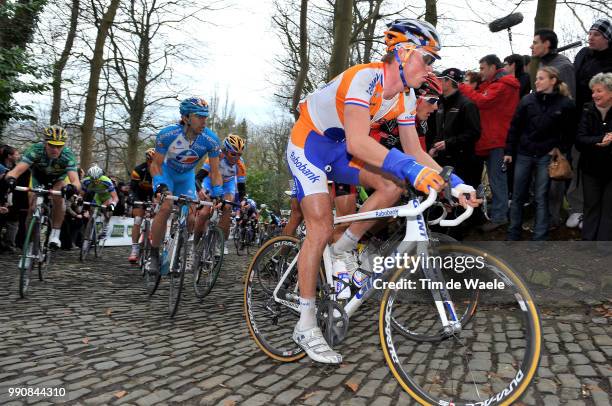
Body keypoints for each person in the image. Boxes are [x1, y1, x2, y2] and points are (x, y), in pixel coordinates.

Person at [287, 18, 478, 364]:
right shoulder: (365, 77)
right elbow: (360, 141)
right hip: (309, 146)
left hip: (339, 149)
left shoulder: (404, 97)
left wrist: (454, 181)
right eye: (428, 59)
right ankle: (305, 322)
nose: (431, 68)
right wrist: (411, 169)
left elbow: (415, 153)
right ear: (403, 53)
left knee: (392, 184)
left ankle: (343, 250)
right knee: (319, 225)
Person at [149, 97, 223, 274]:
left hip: (186, 177)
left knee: (190, 217)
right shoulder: (168, 134)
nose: (204, 121)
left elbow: (215, 172)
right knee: (166, 207)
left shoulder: (210, 140)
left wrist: (218, 193)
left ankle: (179, 251)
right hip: (167, 174)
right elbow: (156, 165)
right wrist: (160, 185)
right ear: (186, 117)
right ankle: (153, 253)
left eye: (206, 117)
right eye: (199, 116)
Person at [504, 67, 576, 240]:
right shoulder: (527, 100)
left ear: (553, 81)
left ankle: (539, 238)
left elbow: (570, 131)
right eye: (536, 78)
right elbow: (515, 127)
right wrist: (509, 151)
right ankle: (513, 234)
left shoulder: (565, 103)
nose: (536, 81)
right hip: (524, 152)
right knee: (518, 194)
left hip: (546, 155)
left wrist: (559, 147)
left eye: (541, 78)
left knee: (541, 196)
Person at [459, 54, 520, 231]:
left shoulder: (502, 85)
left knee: (496, 179)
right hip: (491, 138)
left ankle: (500, 217)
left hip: (497, 139)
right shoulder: (495, 84)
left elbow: (481, 100)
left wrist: (463, 87)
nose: (481, 72)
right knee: (494, 178)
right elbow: (481, 93)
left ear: (493, 67)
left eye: (483, 68)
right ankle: (498, 211)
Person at [567, 18, 612, 229]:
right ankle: (577, 209)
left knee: (598, 168)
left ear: (607, 38)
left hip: (603, 118)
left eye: (596, 34)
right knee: (577, 164)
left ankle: (597, 216)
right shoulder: (583, 54)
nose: (590, 37)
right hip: (578, 118)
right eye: (590, 33)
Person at [3, 126, 80, 248]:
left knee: (58, 197)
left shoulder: (68, 155)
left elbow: (75, 180)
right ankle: (30, 242)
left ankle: (55, 235)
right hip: (38, 177)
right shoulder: (36, 150)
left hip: (58, 179)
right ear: (45, 143)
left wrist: (73, 187)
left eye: (59, 146)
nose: (55, 149)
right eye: (51, 145)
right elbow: (16, 171)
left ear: (63, 145)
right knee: (33, 208)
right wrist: (11, 179)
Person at [428, 68, 481, 188]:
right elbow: (438, 131)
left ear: (448, 82)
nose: (438, 82)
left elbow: (474, 133)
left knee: (461, 196)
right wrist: (434, 147)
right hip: (442, 159)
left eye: (441, 79)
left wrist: (449, 143)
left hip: (462, 162)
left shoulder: (467, 104)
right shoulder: (440, 103)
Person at [575, 72, 612, 240]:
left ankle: (604, 244)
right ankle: (587, 241)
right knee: (590, 205)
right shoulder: (587, 109)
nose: (594, 95)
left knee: (609, 207)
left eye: (599, 91)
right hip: (591, 168)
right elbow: (580, 139)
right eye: (593, 91)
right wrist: (600, 139)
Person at [200, 134, 246, 254]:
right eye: (233, 154)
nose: (236, 158)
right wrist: (201, 189)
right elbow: (201, 174)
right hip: (210, 182)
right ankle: (199, 238)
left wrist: (241, 200)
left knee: (227, 207)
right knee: (205, 211)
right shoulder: (215, 156)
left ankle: (221, 241)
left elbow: (241, 187)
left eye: (239, 154)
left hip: (227, 185)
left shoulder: (240, 164)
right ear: (225, 151)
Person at [127, 148, 155, 262]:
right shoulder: (139, 170)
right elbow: (132, 189)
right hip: (140, 195)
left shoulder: (162, 170)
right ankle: (134, 248)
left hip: (154, 195)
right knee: (138, 219)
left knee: (157, 214)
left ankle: (152, 239)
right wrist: (132, 199)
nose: (152, 164)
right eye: (150, 161)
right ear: (147, 160)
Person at [532, 28, 576, 98]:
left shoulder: (564, 67)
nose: (531, 46)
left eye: (535, 43)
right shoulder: (542, 64)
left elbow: (569, 99)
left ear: (546, 44)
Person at [81, 165, 119, 239]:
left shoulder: (107, 181)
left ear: (100, 177)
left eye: (97, 180)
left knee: (108, 211)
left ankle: (106, 226)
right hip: (98, 196)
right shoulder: (86, 181)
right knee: (92, 214)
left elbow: (115, 198)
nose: (95, 182)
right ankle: (88, 236)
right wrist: (79, 199)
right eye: (93, 180)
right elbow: (82, 194)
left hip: (108, 197)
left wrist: (112, 205)